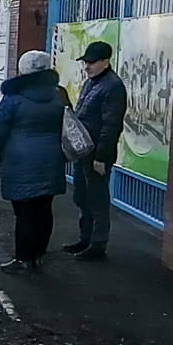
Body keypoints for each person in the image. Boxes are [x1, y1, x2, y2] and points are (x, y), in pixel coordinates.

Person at [0, 50, 67, 274]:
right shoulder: (58, 94)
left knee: (24, 212)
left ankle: (23, 258)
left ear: (23, 70)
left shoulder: (14, 97)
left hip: (19, 160)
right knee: (44, 209)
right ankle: (38, 254)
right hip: (52, 159)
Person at [65, 41, 128, 262]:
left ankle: (97, 244)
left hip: (97, 154)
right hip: (84, 150)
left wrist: (101, 157)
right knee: (82, 196)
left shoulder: (113, 86)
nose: (87, 67)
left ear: (105, 61)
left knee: (97, 198)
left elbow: (111, 126)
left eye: (91, 62)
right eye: (86, 62)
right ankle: (85, 238)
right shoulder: (92, 83)